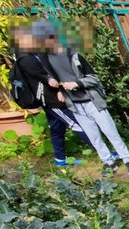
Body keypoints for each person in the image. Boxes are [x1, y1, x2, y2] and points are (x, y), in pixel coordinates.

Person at [33, 21, 129, 176]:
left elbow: (94, 78)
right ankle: (108, 162)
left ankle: (127, 159)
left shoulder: (73, 55)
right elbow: (45, 76)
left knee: (110, 132)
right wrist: (57, 87)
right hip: (74, 105)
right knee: (93, 137)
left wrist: (77, 83)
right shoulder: (45, 60)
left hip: (92, 101)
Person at [13, 25, 96, 168]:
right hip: (51, 100)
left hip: (49, 97)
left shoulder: (32, 53)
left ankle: (59, 160)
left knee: (57, 127)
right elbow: (45, 78)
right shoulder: (25, 58)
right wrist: (59, 90)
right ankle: (103, 151)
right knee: (76, 122)